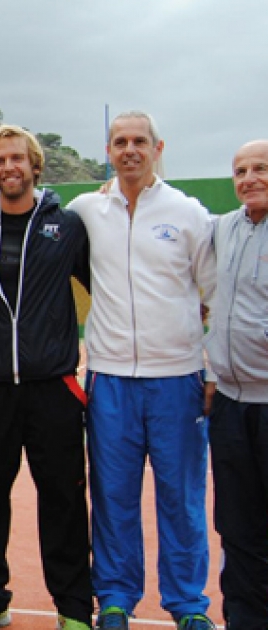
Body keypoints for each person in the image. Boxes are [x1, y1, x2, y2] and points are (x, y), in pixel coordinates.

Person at [0, 111, 216, 630]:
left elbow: (212, 295)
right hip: (107, 377)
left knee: (181, 497)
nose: (130, 150)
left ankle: (188, 605)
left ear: (157, 147)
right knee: (112, 499)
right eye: (120, 142)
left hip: (174, 377)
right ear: (108, 151)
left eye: (139, 141)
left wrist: (210, 367)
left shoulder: (187, 213)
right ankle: (116, 600)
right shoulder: (85, 211)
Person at [0, 126, 92, 630]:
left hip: (53, 387)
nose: (9, 167)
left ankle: (74, 609)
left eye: (18, 159)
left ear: (35, 166)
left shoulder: (69, 227)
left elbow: (109, 286)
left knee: (64, 499)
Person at [204, 139, 268, 630]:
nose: (249, 178)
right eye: (240, 170)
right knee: (237, 525)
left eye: (260, 168)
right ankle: (244, 620)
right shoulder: (222, 229)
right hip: (228, 404)